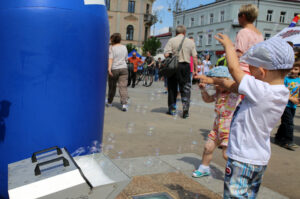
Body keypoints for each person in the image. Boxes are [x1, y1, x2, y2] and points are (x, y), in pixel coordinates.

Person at [199, 34, 294, 198]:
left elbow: (234, 70)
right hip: (259, 159)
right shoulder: (280, 92)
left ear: (262, 72)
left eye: (252, 71)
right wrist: (215, 81)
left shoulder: (262, 90)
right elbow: (234, 86)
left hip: (242, 159)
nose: (250, 75)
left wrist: (229, 46)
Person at [193, 66, 240, 178]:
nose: (216, 87)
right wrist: (203, 90)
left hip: (230, 129)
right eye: (214, 85)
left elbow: (237, 85)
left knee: (226, 154)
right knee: (208, 147)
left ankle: (238, 173)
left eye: (218, 83)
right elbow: (208, 99)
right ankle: (204, 168)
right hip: (217, 127)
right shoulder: (218, 94)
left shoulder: (235, 93)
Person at [164, 25, 197, 118]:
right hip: (185, 66)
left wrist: (171, 54)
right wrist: (195, 70)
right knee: (185, 88)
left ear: (176, 32)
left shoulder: (171, 40)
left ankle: (172, 109)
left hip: (174, 66)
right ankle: (185, 111)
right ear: (185, 32)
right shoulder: (190, 42)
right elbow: (194, 57)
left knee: (172, 88)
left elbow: (166, 54)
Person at [275, 48, 300, 151]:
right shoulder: (285, 79)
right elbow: (282, 90)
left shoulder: (299, 80)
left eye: (296, 69)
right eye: (291, 69)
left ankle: (278, 138)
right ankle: (288, 141)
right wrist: (291, 98)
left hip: (293, 105)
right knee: (289, 123)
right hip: (285, 104)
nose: (293, 71)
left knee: (285, 122)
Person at [236, 4, 263, 74]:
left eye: (238, 15)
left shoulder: (243, 32)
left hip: (243, 70)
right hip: (255, 70)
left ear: (243, 16)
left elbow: (239, 54)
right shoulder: (259, 34)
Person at [107, 33, 129, 111]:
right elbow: (126, 58)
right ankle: (124, 104)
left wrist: (109, 68)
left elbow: (110, 58)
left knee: (112, 86)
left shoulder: (111, 48)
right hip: (124, 68)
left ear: (112, 39)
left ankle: (109, 102)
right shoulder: (124, 47)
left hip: (114, 68)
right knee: (123, 87)